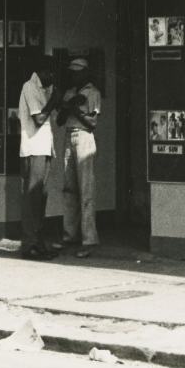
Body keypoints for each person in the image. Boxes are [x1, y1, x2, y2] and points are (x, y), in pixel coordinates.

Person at [51, 55, 103, 257]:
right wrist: (68, 104)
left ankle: (89, 239)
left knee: (86, 189)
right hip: (68, 136)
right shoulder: (70, 92)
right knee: (69, 188)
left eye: (75, 73)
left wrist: (74, 108)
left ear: (84, 73)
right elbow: (61, 121)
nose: (72, 77)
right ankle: (69, 235)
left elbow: (92, 123)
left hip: (84, 137)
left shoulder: (93, 92)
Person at [16, 54, 58, 259]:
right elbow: (39, 118)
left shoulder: (44, 88)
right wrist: (53, 102)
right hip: (34, 149)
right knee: (32, 197)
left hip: (44, 148)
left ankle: (39, 243)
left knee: (41, 197)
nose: (53, 76)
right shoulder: (30, 87)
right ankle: (29, 245)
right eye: (51, 72)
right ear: (42, 71)